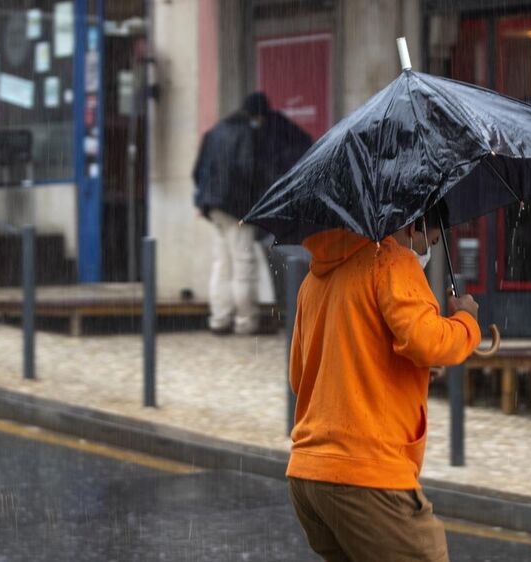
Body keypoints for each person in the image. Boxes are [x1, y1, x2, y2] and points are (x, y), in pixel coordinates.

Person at [287, 203, 480, 562]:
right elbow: (428, 341)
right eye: (429, 241)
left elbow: (303, 377)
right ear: (415, 222)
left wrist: (403, 370)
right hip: (368, 476)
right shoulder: (391, 260)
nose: (425, 252)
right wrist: (466, 321)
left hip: (308, 475)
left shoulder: (312, 281)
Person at [193, 92, 313, 335]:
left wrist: (206, 200)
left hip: (213, 206)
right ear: (258, 115)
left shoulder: (216, 131)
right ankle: (245, 321)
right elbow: (248, 171)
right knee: (242, 264)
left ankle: (219, 318)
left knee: (222, 263)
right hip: (237, 207)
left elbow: (198, 170)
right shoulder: (247, 132)